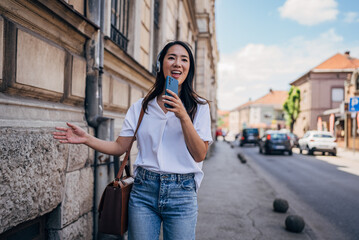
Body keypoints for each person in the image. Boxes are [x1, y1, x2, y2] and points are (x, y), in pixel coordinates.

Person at [53, 40, 213, 240]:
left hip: (182, 193)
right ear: (160, 64)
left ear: (189, 68)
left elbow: (200, 154)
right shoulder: (142, 107)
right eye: (171, 58)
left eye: (184, 59)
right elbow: (120, 146)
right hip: (144, 191)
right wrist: (87, 139)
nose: (177, 64)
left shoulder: (200, 107)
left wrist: (182, 115)